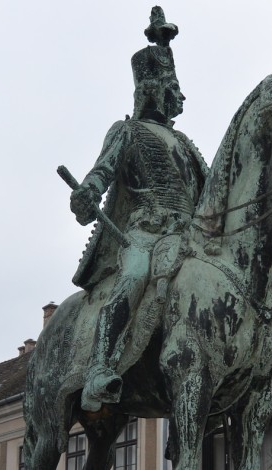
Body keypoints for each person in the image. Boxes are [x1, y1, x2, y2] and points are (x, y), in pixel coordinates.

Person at [70, 6, 207, 411]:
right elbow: (102, 171)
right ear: (150, 90)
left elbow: (213, 192)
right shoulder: (127, 131)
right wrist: (87, 194)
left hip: (190, 236)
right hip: (145, 232)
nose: (175, 97)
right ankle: (99, 367)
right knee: (133, 276)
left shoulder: (187, 146)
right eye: (168, 88)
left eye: (174, 89)